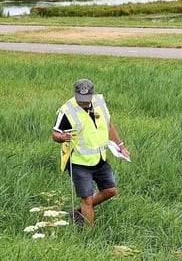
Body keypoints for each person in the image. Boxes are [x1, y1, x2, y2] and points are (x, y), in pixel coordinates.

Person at [51, 79, 130, 227]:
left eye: (86, 100)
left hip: (99, 158)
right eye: (81, 100)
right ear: (75, 95)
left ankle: (79, 212)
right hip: (79, 161)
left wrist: (121, 146)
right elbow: (55, 134)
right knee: (86, 198)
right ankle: (89, 234)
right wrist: (63, 137)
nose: (84, 103)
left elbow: (108, 125)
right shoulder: (67, 111)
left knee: (110, 190)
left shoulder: (99, 102)